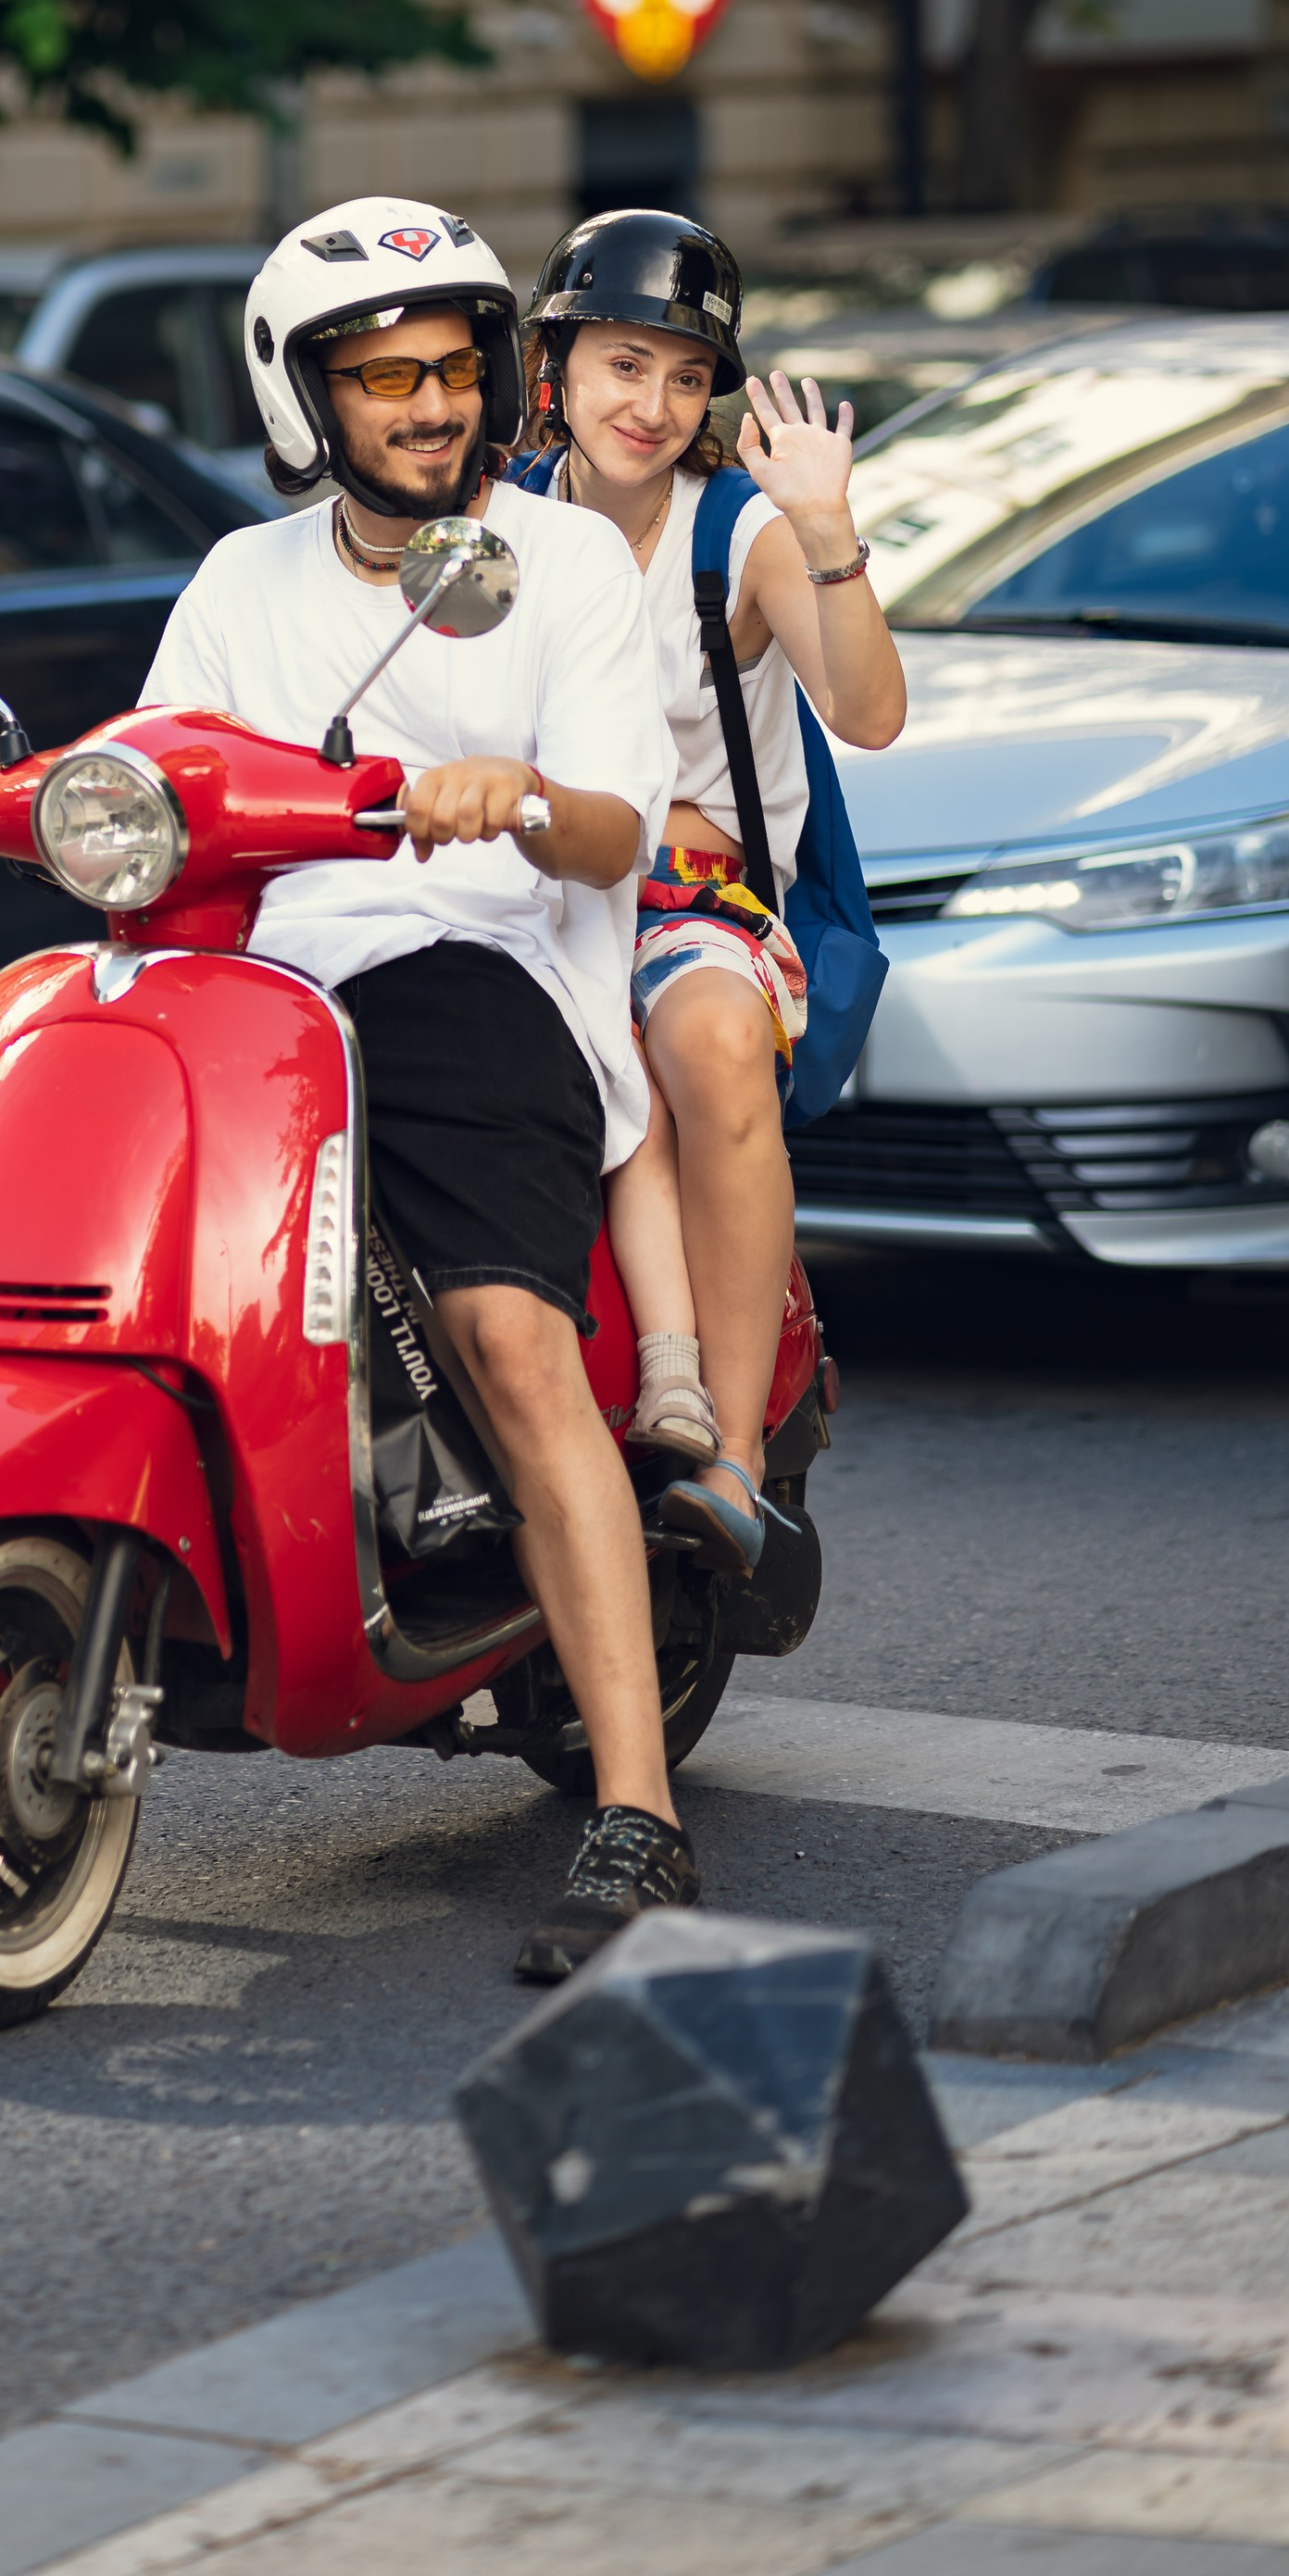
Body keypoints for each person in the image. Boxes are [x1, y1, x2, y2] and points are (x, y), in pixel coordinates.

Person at [0, 195, 702, 1983]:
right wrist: (16, 778)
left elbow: (611, 827)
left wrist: (509, 794)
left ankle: (635, 1804)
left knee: (512, 1337)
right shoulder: (245, 578)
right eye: (385, 380)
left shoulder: (563, 566)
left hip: (480, 963)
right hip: (256, 972)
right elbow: (164, 762)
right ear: (309, 403)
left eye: (454, 369)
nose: (431, 406)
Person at [510, 207, 905, 1574]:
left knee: (711, 1038)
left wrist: (827, 532)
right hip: (521, 891)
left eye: (687, 376)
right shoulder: (494, 526)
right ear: (553, 367)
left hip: (688, 905)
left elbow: (867, 710)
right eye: (625, 365)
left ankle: (733, 1454)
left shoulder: (733, 535)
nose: (656, 404)